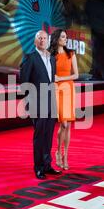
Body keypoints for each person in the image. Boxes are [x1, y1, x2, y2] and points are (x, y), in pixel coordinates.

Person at [19, 30, 62, 179]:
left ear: (48, 41)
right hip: (37, 103)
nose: (43, 40)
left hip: (51, 102)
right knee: (39, 136)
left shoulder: (51, 58)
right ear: (35, 41)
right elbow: (24, 82)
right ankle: (38, 168)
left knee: (48, 136)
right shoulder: (30, 57)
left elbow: (51, 80)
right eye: (40, 38)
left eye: (45, 38)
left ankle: (47, 165)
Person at [48, 29, 79, 170]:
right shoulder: (51, 55)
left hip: (68, 89)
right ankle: (58, 152)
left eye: (66, 37)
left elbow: (76, 75)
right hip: (55, 89)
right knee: (64, 124)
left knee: (67, 125)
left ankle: (65, 155)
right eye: (62, 37)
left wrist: (61, 78)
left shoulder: (71, 54)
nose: (65, 39)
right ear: (56, 38)